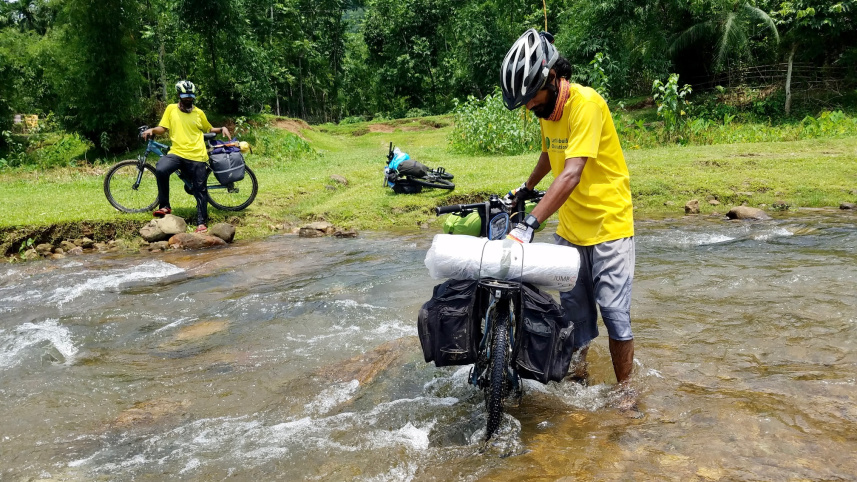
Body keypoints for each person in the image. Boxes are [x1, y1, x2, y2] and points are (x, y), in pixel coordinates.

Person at [500, 29, 636, 402]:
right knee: (575, 319)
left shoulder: (586, 104)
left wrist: (530, 224)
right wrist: (526, 189)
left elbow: (572, 172)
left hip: (609, 226)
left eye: (531, 97)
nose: (529, 107)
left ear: (553, 79)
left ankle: (626, 393)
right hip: (572, 230)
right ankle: (580, 382)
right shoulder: (549, 110)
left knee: (614, 315)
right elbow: (550, 153)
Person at [141, 80, 231, 233]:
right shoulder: (170, 109)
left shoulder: (199, 113)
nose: (189, 101)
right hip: (177, 153)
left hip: (197, 155)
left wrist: (221, 128)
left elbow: (208, 128)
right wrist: (152, 130)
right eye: (185, 98)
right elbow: (163, 128)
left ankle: (201, 222)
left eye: (191, 98)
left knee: (199, 189)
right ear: (179, 96)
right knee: (161, 169)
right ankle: (164, 206)